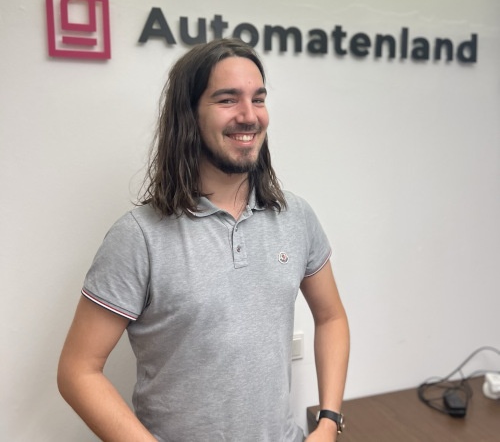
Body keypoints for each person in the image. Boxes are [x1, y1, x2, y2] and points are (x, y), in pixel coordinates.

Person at [57, 38, 349, 442]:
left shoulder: (295, 217)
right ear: (189, 114)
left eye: (258, 99)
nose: (249, 116)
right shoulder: (139, 237)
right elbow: (77, 370)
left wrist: (329, 422)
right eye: (228, 100)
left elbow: (331, 317)